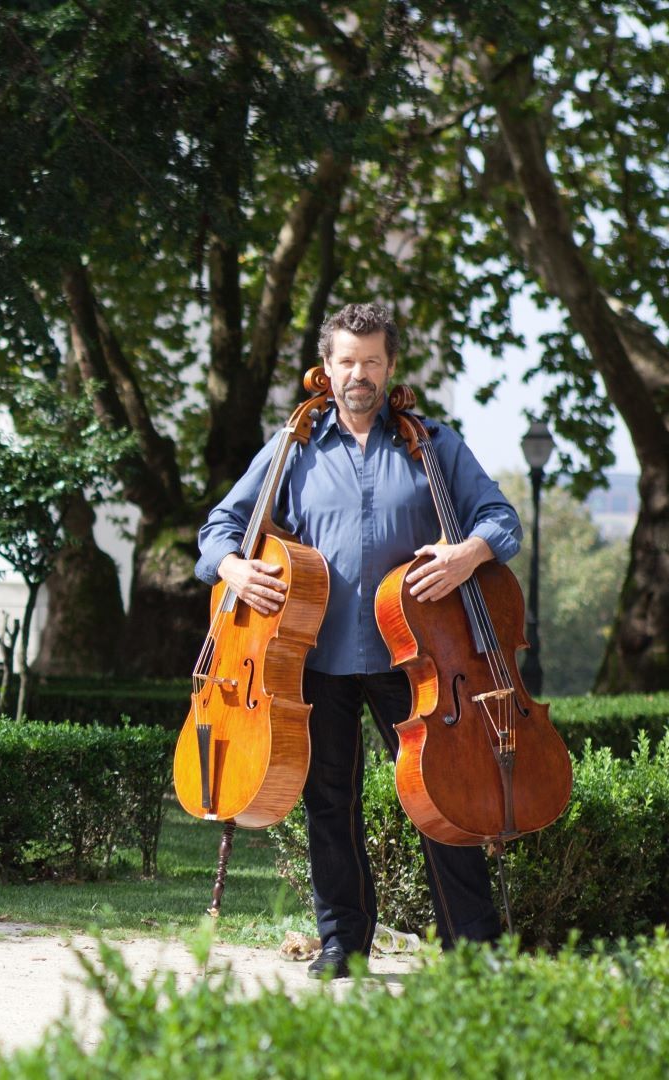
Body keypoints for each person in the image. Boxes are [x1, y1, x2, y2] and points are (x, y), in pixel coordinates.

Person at [195, 302, 523, 978]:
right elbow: (218, 530)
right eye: (348, 361)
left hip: (421, 659)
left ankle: (473, 947)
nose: (360, 374)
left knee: (443, 799)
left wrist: (467, 553)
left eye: (372, 361)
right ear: (328, 366)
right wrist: (235, 568)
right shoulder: (294, 447)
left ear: (390, 366)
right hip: (317, 656)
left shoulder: (434, 443)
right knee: (329, 804)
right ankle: (344, 944)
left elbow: (501, 519)